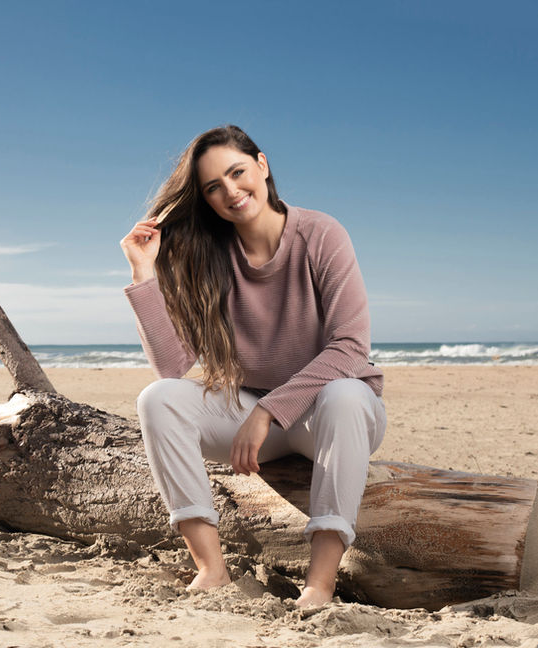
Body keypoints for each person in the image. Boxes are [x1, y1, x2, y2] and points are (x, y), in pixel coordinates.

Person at [119, 124, 386, 608]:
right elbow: (171, 369)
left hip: (329, 414)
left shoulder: (321, 233)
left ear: (262, 165)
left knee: (345, 394)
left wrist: (266, 412)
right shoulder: (208, 257)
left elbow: (350, 347)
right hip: (251, 418)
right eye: (213, 188)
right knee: (156, 399)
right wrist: (144, 275)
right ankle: (211, 570)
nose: (231, 192)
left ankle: (320, 584)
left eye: (237, 173)